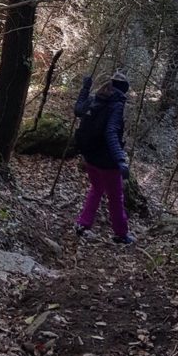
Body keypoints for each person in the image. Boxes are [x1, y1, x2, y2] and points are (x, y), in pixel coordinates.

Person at [73, 71, 135, 244]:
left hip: (89, 156)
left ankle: (83, 224)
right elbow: (111, 132)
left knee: (97, 188)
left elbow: (78, 110)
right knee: (115, 197)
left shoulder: (95, 98)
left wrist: (85, 88)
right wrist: (120, 159)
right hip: (107, 161)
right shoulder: (117, 105)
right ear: (124, 90)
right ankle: (121, 234)